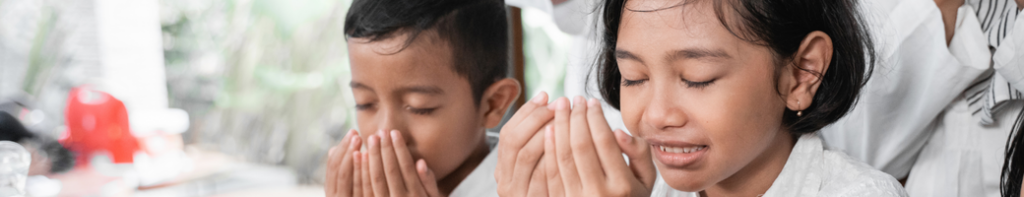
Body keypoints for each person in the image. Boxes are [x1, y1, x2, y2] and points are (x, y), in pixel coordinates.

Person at [497, 0, 908, 196]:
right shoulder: (649, 189)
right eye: (634, 77)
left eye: (697, 79)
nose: (656, 115)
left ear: (802, 72)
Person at [322, 0, 522, 196]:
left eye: (419, 107)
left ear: (492, 104)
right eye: (365, 103)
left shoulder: (526, 188)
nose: (385, 132)